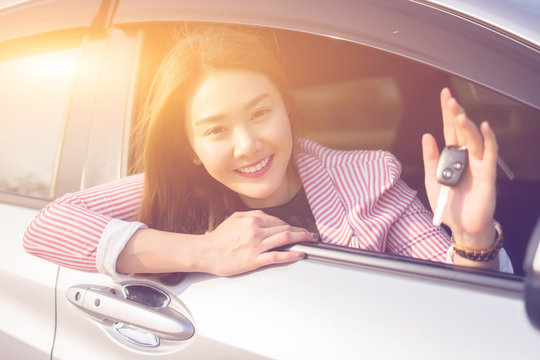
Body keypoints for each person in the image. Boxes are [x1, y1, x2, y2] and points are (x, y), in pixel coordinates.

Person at [23, 24, 512, 278]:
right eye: (215, 130)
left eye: (261, 114)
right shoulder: (174, 190)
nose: (248, 145)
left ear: (287, 110)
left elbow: (460, 299)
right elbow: (48, 227)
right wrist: (204, 252)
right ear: (190, 148)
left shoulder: (366, 179)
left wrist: (471, 235)